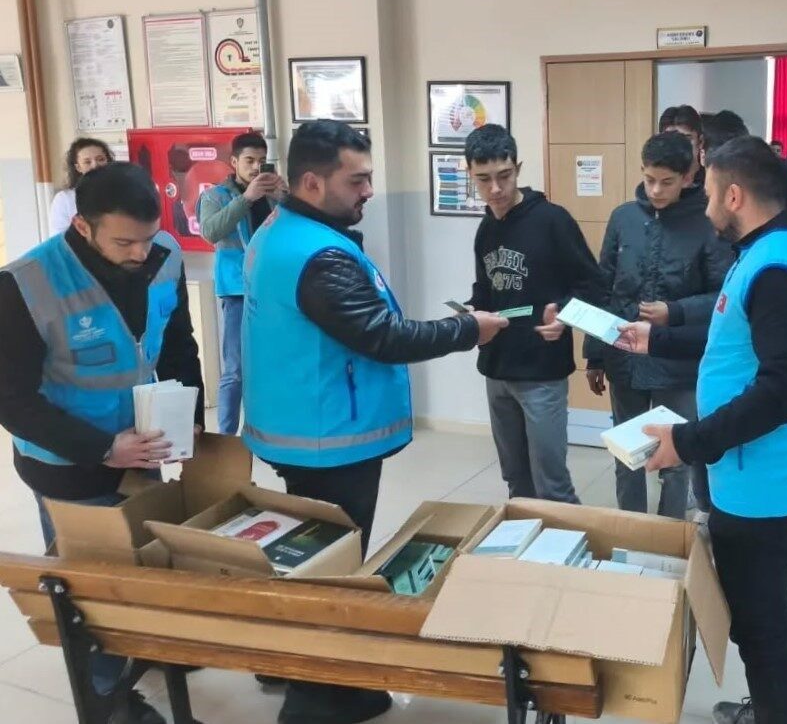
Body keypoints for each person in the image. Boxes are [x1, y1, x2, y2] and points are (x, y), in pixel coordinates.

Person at [242, 120, 506, 724]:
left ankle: (323, 677)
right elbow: (383, 337)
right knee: (330, 573)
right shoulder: (319, 255)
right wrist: (469, 329)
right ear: (312, 182)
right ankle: (312, 702)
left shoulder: (280, 231)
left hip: (302, 423)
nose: (368, 191)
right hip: (328, 436)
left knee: (319, 559)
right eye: (356, 180)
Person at [617, 136, 787, 724]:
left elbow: (782, 391)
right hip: (755, 471)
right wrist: (658, 339)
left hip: (769, 479)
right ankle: (769, 709)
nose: (707, 204)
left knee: (759, 623)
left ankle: (775, 715)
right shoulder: (767, 250)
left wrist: (687, 442)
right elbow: (731, 337)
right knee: (766, 612)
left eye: (711, 192)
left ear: (735, 195)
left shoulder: (780, 270)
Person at [0, 162, 205, 724]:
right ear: (83, 226)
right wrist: (103, 449)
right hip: (68, 462)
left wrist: (189, 417)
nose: (141, 252)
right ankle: (108, 697)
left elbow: (178, 342)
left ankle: (147, 645)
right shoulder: (25, 284)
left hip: (145, 446)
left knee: (141, 562)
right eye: (124, 242)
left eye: (147, 237)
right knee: (89, 589)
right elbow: (11, 401)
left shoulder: (163, 253)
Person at [584, 132, 731, 519]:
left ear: (688, 176)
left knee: (676, 458)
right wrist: (594, 354)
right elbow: (603, 287)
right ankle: (631, 530)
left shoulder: (707, 223)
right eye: (649, 179)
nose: (655, 190)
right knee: (626, 453)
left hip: (678, 361)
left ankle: (669, 534)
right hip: (624, 357)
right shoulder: (623, 218)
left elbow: (723, 295)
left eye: (666, 182)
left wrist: (675, 309)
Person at [464, 124, 601, 504]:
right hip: (497, 369)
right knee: (515, 480)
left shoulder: (553, 220)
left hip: (542, 371)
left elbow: (594, 285)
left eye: (504, 176)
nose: (495, 188)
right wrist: (470, 314)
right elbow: (485, 288)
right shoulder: (485, 228)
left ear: (518, 169)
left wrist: (565, 317)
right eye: (484, 179)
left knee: (552, 484)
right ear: (470, 175)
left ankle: (568, 543)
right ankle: (526, 542)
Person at [197, 132, 285, 436]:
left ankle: (269, 429)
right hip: (236, 289)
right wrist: (247, 198)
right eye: (249, 160)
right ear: (234, 162)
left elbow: (296, 229)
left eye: (262, 160)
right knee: (235, 369)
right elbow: (210, 232)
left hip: (272, 289)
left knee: (272, 363)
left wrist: (287, 198)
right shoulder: (215, 196)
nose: (256, 167)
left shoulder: (273, 194)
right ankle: (226, 436)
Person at [49, 137, 114, 235]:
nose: (95, 165)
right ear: (78, 167)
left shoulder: (121, 192)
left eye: (100, 159)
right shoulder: (65, 199)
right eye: (87, 162)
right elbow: (60, 236)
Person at [658, 104, 705, 186]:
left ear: (700, 142)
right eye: (670, 139)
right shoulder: (655, 182)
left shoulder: (712, 181)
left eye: (686, 139)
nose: (678, 146)